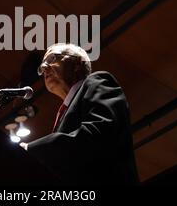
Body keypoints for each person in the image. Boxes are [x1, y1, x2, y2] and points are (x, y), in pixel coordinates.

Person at [20, 43, 139, 185]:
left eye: (52, 59)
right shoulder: (63, 114)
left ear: (77, 63)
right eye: (41, 67)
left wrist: (29, 149)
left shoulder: (98, 81)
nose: (44, 67)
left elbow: (97, 134)